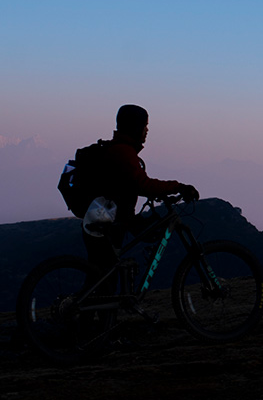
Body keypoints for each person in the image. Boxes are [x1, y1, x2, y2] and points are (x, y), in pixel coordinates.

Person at [82, 105, 199, 276]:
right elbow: (143, 185)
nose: (147, 130)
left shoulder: (120, 149)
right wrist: (178, 187)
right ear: (135, 127)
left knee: (104, 275)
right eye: (145, 125)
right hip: (105, 223)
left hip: (104, 220)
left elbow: (134, 185)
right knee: (104, 278)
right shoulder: (123, 152)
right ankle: (81, 303)